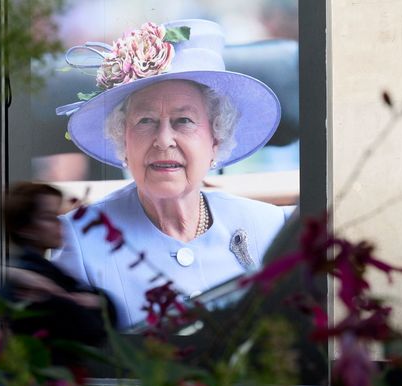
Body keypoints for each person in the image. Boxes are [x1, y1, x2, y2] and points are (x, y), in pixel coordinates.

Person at [53, 19, 290, 329]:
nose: (164, 139)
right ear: (123, 140)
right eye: (145, 121)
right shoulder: (79, 241)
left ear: (215, 138)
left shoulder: (270, 229)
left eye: (184, 121)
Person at [2, 182, 116, 367]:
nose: (60, 223)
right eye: (50, 217)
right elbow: (90, 328)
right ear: (25, 228)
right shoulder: (30, 277)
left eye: (59, 215)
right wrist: (82, 301)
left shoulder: (48, 273)